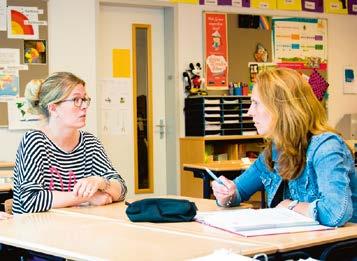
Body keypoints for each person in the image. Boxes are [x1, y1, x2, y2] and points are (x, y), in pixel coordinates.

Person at [212, 68, 356, 227]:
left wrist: (290, 206)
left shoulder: (326, 146)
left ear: (281, 108)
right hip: (301, 243)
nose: (249, 112)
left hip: (337, 247)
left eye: (256, 103)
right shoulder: (275, 149)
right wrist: (226, 195)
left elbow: (336, 213)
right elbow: (239, 190)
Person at [12, 72, 127, 214]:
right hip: (35, 231)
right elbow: (30, 200)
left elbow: (121, 190)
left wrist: (101, 182)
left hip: (74, 229)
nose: (84, 106)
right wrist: (86, 197)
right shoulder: (34, 141)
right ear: (53, 108)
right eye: (76, 100)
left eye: (84, 99)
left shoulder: (90, 143)